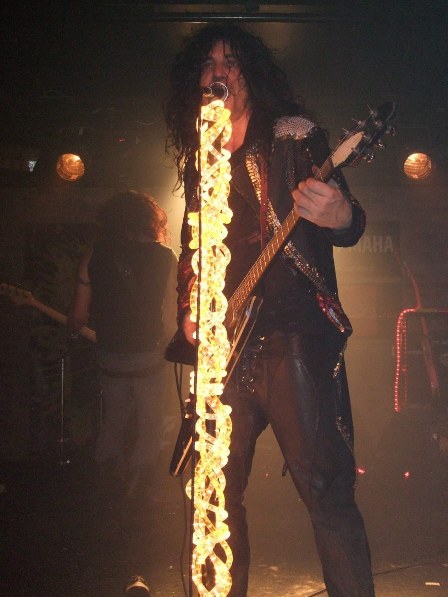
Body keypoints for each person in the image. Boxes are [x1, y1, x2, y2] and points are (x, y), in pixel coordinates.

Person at [164, 23, 375, 596]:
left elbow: (349, 221)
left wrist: (340, 216)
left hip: (291, 333)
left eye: (231, 60)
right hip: (222, 344)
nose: (219, 71)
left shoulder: (293, 137)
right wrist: (190, 302)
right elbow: (193, 245)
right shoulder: (200, 153)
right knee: (216, 497)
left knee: (326, 490)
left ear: (251, 73)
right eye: (209, 62)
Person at [67, 190, 177, 592]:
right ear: (150, 219)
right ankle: (137, 498)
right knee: (150, 429)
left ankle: (106, 498)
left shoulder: (94, 256)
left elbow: (78, 317)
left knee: (112, 423)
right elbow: (170, 315)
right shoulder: (165, 258)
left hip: (110, 358)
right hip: (150, 356)